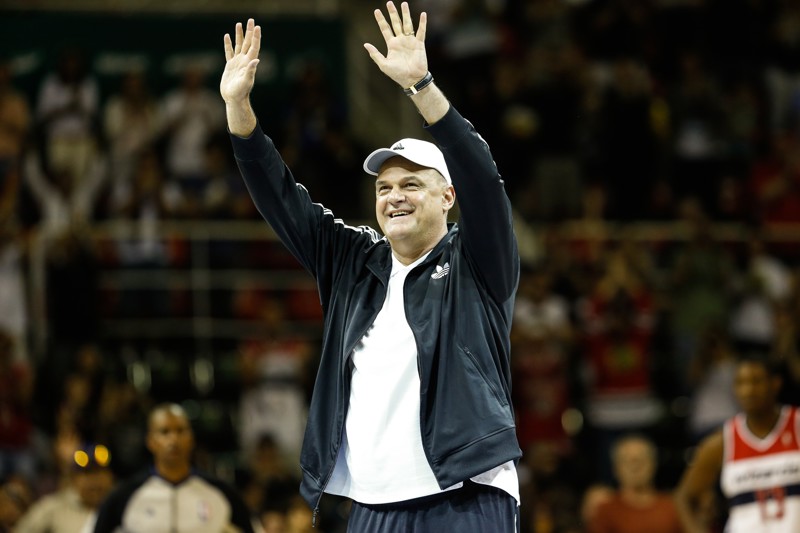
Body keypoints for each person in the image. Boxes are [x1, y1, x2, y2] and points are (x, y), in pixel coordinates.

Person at [220, 2, 521, 530]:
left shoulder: (477, 259)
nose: (394, 196)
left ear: (448, 197)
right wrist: (239, 109)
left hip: (465, 494)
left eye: (411, 184)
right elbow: (281, 198)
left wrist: (422, 87)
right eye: (384, 187)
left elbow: (482, 177)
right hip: (369, 504)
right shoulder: (353, 261)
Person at [674, 354, 800, 533]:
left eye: (756, 381)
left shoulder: (796, 425)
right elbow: (683, 498)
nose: (748, 390)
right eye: (740, 383)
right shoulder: (722, 441)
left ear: (775, 383)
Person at [91, 403, 259, 533]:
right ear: (150, 441)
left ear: (191, 438)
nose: (173, 440)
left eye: (180, 431)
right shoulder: (124, 496)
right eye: (164, 432)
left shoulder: (221, 493)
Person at [587, 434, 682, 533]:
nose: (635, 467)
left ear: (653, 464)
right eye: (627, 461)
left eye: (640, 460)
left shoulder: (672, 508)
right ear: (616, 468)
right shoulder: (606, 512)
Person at [13, 443, 114, 533]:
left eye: (99, 473)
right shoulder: (54, 508)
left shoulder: (119, 509)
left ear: (110, 477)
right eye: (87, 473)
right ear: (74, 479)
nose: (94, 480)